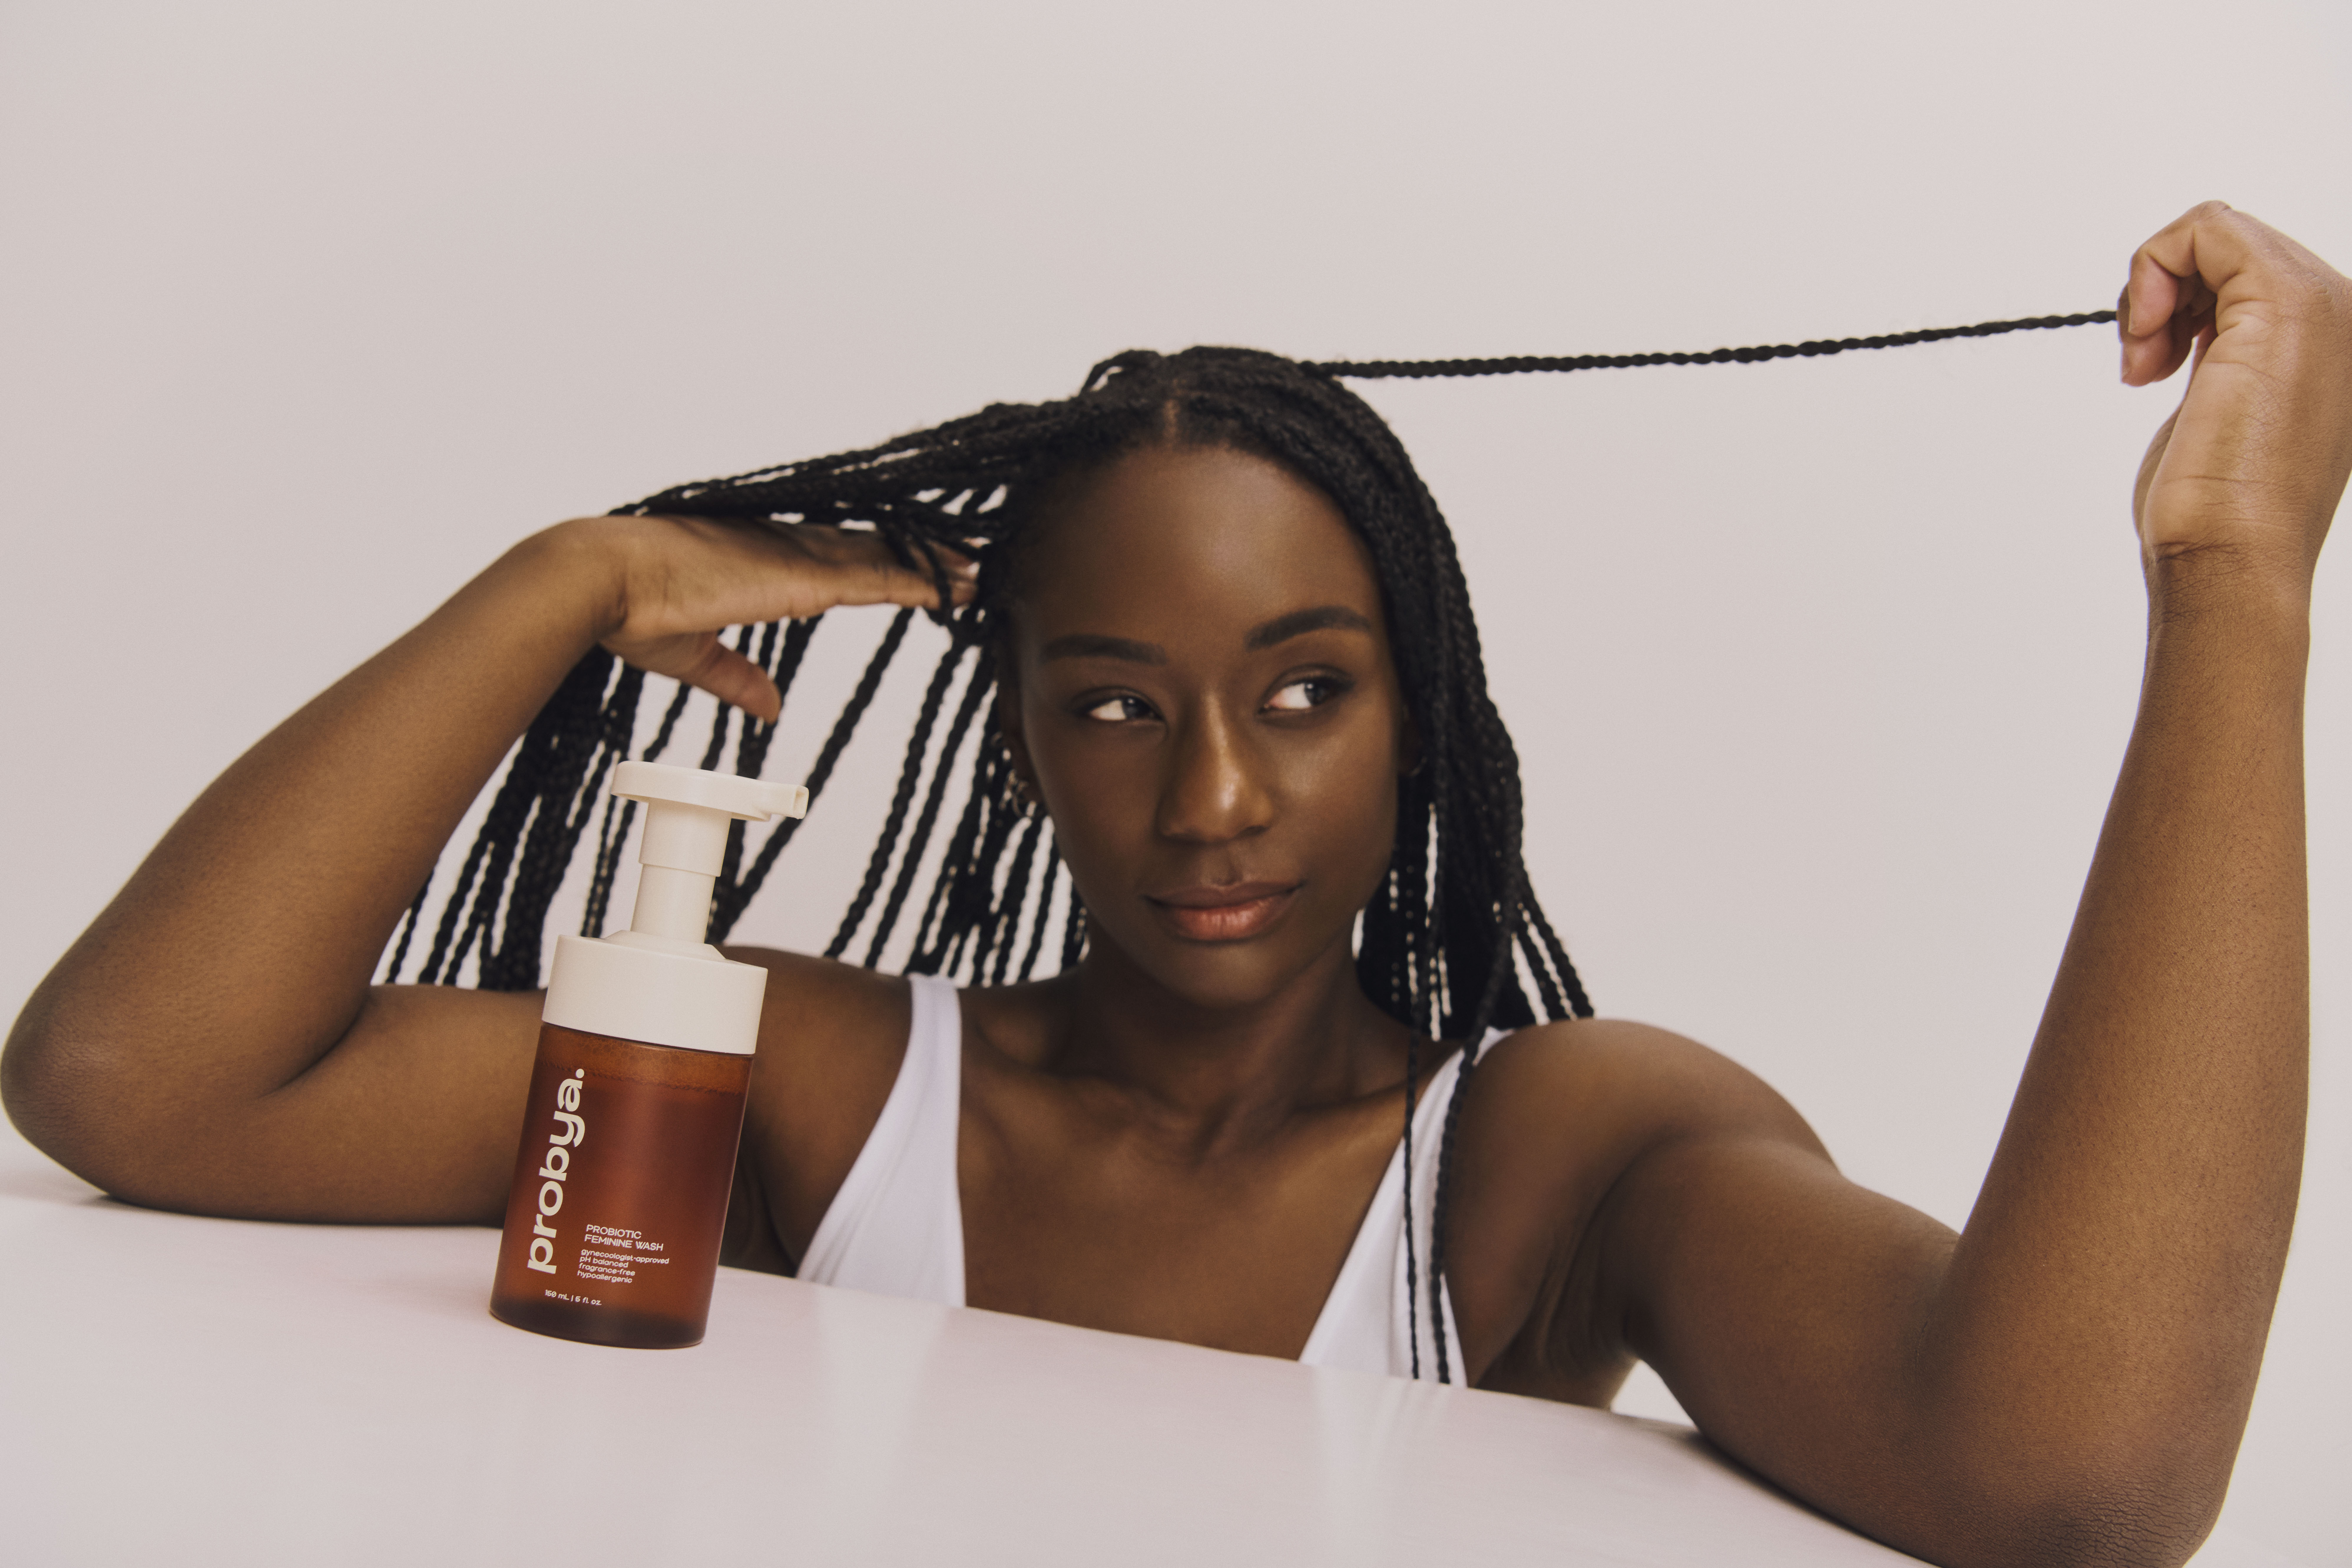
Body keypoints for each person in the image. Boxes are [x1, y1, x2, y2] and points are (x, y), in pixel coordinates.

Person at [4, 202, 2344, 1568]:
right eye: (1112, 700)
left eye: (1304, 690)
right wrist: (566, 579)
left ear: (1422, 716)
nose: (1209, 792)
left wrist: (2235, 585)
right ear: (1007, 738)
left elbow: (2069, 1467)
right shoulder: (825, 1089)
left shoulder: (1546, 1162)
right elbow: (134, 1082)